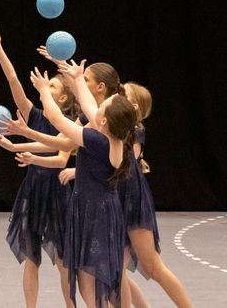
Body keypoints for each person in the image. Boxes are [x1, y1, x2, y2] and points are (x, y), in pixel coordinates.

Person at [0, 26, 76, 308]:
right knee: (31, 260)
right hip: (33, 191)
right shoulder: (33, 115)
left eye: (54, 86)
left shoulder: (69, 124)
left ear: (63, 99)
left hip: (58, 192)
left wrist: (17, 147)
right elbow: (12, 81)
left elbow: (57, 151)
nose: (46, 84)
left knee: (62, 262)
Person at [31, 60, 135, 308]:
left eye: (103, 108)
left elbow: (57, 119)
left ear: (104, 121)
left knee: (89, 284)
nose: (95, 108)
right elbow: (90, 107)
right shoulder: (114, 138)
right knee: (98, 280)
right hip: (104, 211)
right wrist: (78, 78)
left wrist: (44, 90)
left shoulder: (95, 140)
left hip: (92, 213)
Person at [120, 82, 193, 308]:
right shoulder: (115, 123)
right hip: (115, 196)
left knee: (153, 267)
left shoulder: (134, 130)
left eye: (123, 93)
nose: (118, 94)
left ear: (133, 106)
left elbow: (126, 163)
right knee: (114, 269)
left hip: (131, 197)